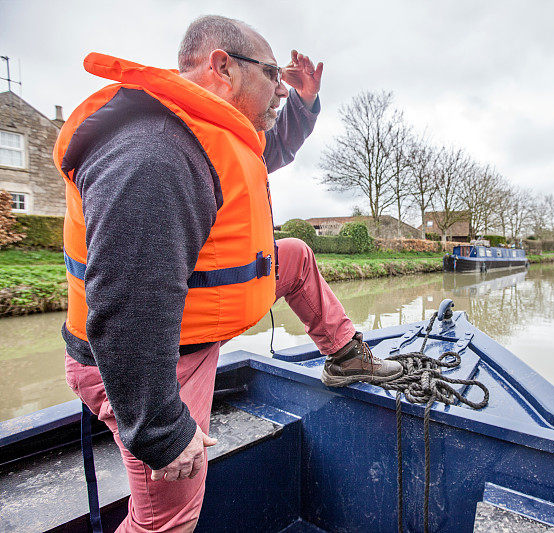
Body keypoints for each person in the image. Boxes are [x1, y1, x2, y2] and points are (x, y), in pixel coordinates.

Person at [57, 15, 401, 532]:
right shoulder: (157, 151)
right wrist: (161, 432)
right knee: (167, 519)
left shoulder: (214, 133)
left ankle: (346, 356)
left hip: (190, 323)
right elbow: (125, 303)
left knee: (295, 257)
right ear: (223, 66)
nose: (281, 88)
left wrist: (304, 104)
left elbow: (271, 148)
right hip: (158, 360)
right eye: (273, 74)